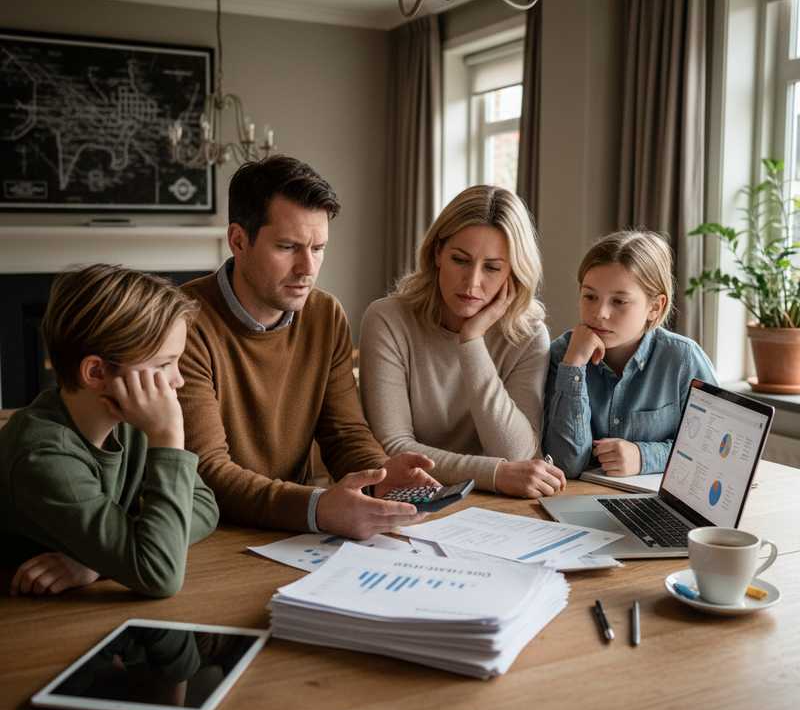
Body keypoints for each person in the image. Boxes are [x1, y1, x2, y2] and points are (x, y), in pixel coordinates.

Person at [178, 155, 436, 540]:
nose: (307, 268)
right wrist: (317, 507)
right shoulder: (183, 322)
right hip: (211, 533)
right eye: (288, 247)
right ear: (238, 240)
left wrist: (380, 475)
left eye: (318, 248)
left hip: (295, 532)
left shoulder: (325, 314)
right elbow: (208, 470)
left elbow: (344, 433)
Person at [0, 264, 219, 598]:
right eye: (163, 365)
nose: (179, 380)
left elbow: (204, 505)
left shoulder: (129, 421)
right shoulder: (43, 455)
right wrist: (168, 438)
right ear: (96, 371)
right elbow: (158, 573)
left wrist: (99, 560)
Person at [360, 185, 566, 499]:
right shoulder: (387, 319)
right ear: (437, 253)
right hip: (410, 496)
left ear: (514, 273)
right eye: (460, 260)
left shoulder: (528, 335)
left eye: (493, 268)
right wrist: (494, 474)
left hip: (496, 508)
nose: (472, 283)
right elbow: (395, 447)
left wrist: (472, 341)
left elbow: (518, 454)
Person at [543, 230, 718, 479]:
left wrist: (644, 456)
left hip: (655, 506)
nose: (600, 312)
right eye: (590, 296)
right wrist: (574, 367)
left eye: (619, 301)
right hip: (576, 501)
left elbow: (716, 451)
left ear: (655, 308)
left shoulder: (683, 359)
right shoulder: (562, 354)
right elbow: (565, 463)